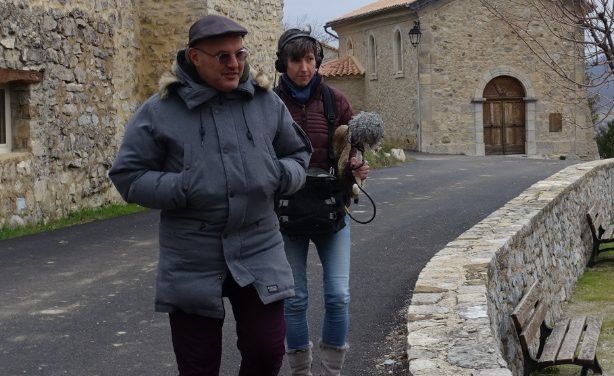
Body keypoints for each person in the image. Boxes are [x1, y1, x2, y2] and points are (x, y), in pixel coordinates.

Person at [108, 15, 312, 376]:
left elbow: (298, 155)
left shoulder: (265, 103)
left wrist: (280, 175)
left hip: (259, 247)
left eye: (240, 54)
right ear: (195, 56)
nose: (234, 64)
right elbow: (128, 175)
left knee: (267, 350)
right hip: (192, 254)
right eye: (222, 56)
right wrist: (183, 186)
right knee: (197, 364)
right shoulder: (160, 111)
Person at [273, 28, 370, 376]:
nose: (303, 67)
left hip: (334, 210)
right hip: (286, 215)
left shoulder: (337, 102)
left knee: (338, 295)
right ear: (283, 62)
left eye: (310, 59)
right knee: (295, 299)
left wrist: (357, 165)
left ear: (318, 61)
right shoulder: (269, 104)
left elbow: (352, 150)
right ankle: (301, 372)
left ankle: (332, 372)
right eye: (296, 59)